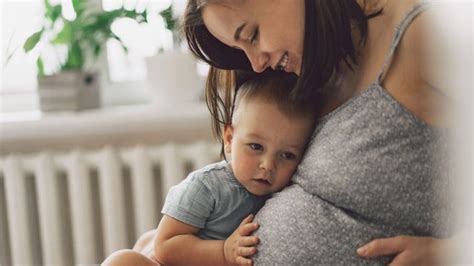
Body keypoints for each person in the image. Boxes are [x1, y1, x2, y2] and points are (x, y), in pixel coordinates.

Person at [174, 0, 454, 264]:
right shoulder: (310, 65)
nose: (257, 63)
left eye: (253, 34)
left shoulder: (424, 35)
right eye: (241, 49)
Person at [102, 73, 317, 265]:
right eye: (256, 146)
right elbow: (166, 246)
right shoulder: (207, 186)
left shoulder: (287, 194)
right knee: (123, 260)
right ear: (229, 139)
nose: (268, 165)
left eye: (287, 155)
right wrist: (223, 251)